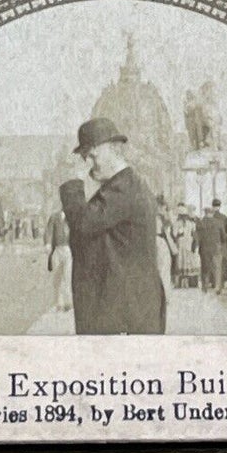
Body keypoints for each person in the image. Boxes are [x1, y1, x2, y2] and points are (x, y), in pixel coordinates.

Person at [59, 117, 166, 335]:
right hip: (124, 311)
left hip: (123, 315)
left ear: (112, 149)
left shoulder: (123, 189)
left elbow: (82, 224)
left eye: (92, 156)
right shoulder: (122, 187)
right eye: (84, 158)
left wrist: (74, 184)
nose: (88, 165)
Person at [196, 198, 227, 294]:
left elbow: (197, 236)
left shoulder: (200, 223)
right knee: (217, 268)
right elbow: (224, 236)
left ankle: (204, 287)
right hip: (216, 248)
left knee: (205, 267)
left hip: (204, 249)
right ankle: (218, 287)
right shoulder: (219, 222)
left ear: (206, 213)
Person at [45, 204, 72, 312]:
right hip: (57, 249)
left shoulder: (72, 217)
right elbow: (49, 231)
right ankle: (59, 303)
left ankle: (68, 302)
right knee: (57, 277)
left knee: (68, 276)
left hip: (69, 249)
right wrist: (47, 243)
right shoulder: (54, 217)